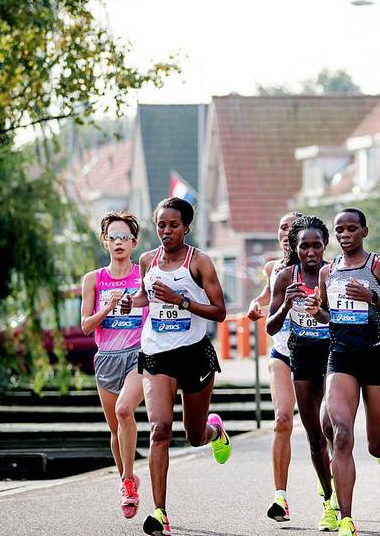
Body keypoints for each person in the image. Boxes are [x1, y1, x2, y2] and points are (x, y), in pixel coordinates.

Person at [120, 197, 230, 536]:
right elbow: (145, 296)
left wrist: (181, 300)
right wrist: (130, 301)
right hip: (156, 355)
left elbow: (220, 311)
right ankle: (159, 513)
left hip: (194, 353)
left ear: (186, 227)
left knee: (194, 435)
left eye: (173, 225)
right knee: (160, 429)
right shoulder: (147, 260)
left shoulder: (200, 262)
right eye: (161, 225)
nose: (166, 231)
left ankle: (215, 432)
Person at [304, 208, 380, 536]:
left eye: (352, 228)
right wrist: (317, 311)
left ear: (364, 231)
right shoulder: (329, 271)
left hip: (378, 357)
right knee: (341, 432)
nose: (345, 234)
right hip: (341, 358)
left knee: (376, 447)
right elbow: (328, 315)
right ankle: (347, 518)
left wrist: (372, 298)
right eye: (340, 229)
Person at [266, 215, 340, 531]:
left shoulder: (335, 272)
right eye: (304, 246)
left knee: (330, 425)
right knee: (313, 437)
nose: (310, 252)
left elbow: (343, 320)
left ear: (325, 245)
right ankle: (328, 500)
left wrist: (319, 311)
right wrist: (287, 304)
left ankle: (338, 497)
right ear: (295, 248)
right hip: (302, 355)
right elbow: (271, 325)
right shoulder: (285, 277)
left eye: (316, 245)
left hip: (334, 356)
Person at [80, 211, 146, 519]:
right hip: (105, 358)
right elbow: (85, 326)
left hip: (138, 354)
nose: (118, 242)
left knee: (124, 411)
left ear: (133, 243)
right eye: (113, 237)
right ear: (105, 242)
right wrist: (108, 306)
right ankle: (127, 479)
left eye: (124, 237)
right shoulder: (93, 280)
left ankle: (128, 482)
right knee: (114, 428)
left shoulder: (142, 276)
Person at [247, 212, 301, 522]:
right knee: (282, 420)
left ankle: (330, 493)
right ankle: (280, 498)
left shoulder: (320, 268)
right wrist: (256, 305)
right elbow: (268, 295)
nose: (286, 233)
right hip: (282, 352)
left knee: (325, 428)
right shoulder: (273, 267)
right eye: (282, 227)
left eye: (293, 228)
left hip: (316, 355)